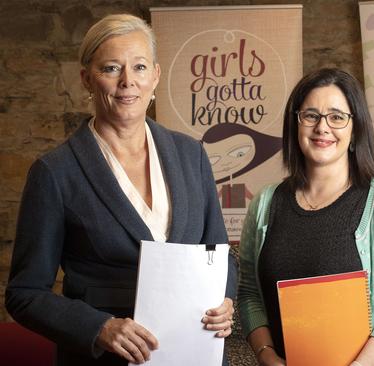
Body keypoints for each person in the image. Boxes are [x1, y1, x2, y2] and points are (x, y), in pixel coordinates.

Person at [5, 14, 237, 366]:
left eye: (140, 67)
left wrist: (226, 300)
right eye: (111, 68)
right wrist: (100, 327)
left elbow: (220, 255)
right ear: (87, 79)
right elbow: (24, 294)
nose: (128, 81)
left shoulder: (192, 155)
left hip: (194, 352)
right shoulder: (55, 172)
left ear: (155, 75)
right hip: (104, 360)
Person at [237, 68, 374, 366]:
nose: (322, 127)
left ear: (355, 130)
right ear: (296, 125)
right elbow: (249, 295)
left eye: (337, 117)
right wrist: (267, 356)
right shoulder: (264, 203)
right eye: (311, 115)